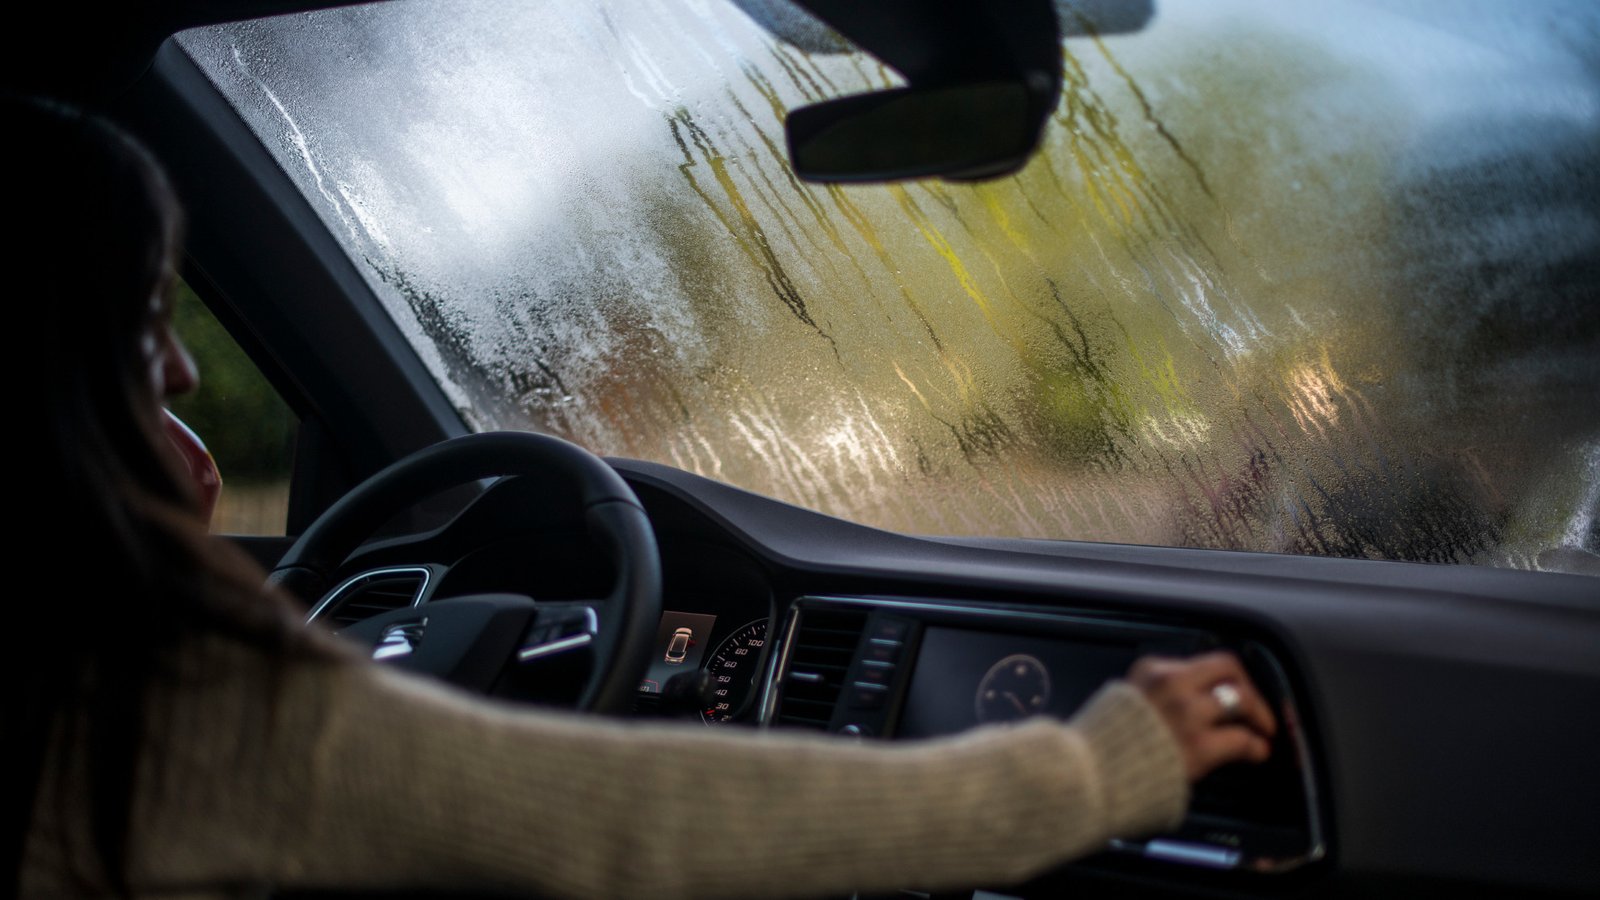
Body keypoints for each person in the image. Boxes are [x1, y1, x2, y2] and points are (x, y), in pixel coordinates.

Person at [10, 98, 1277, 899]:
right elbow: (645, 826)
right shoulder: (164, 716)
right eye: (143, 327)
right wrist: (1097, 770)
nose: (179, 370)